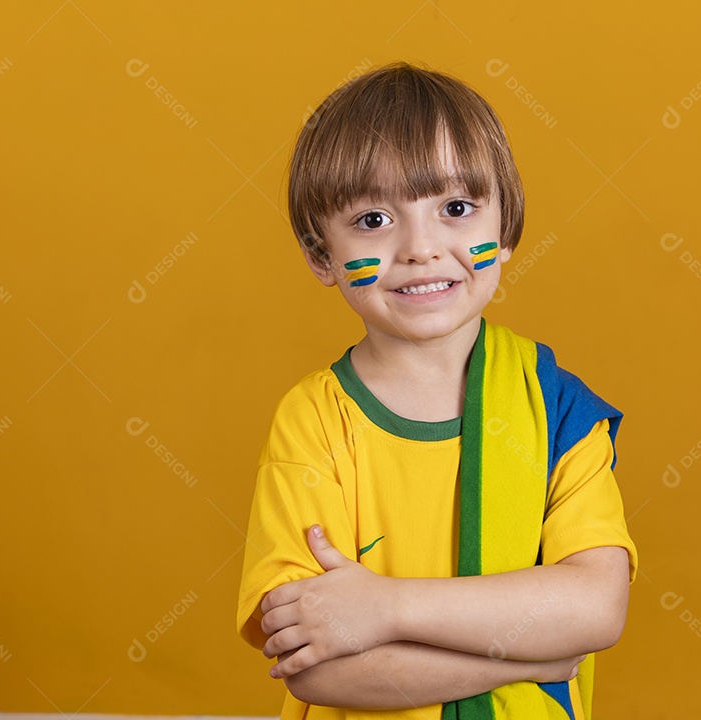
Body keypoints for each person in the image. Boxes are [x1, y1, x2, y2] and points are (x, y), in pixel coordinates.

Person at [237, 61, 638, 720]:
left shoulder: (558, 407)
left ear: (505, 228)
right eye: (373, 219)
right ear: (320, 255)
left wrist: (384, 607)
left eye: (455, 208)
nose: (420, 248)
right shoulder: (312, 423)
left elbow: (596, 607)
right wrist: (530, 659)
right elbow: (317, 669)